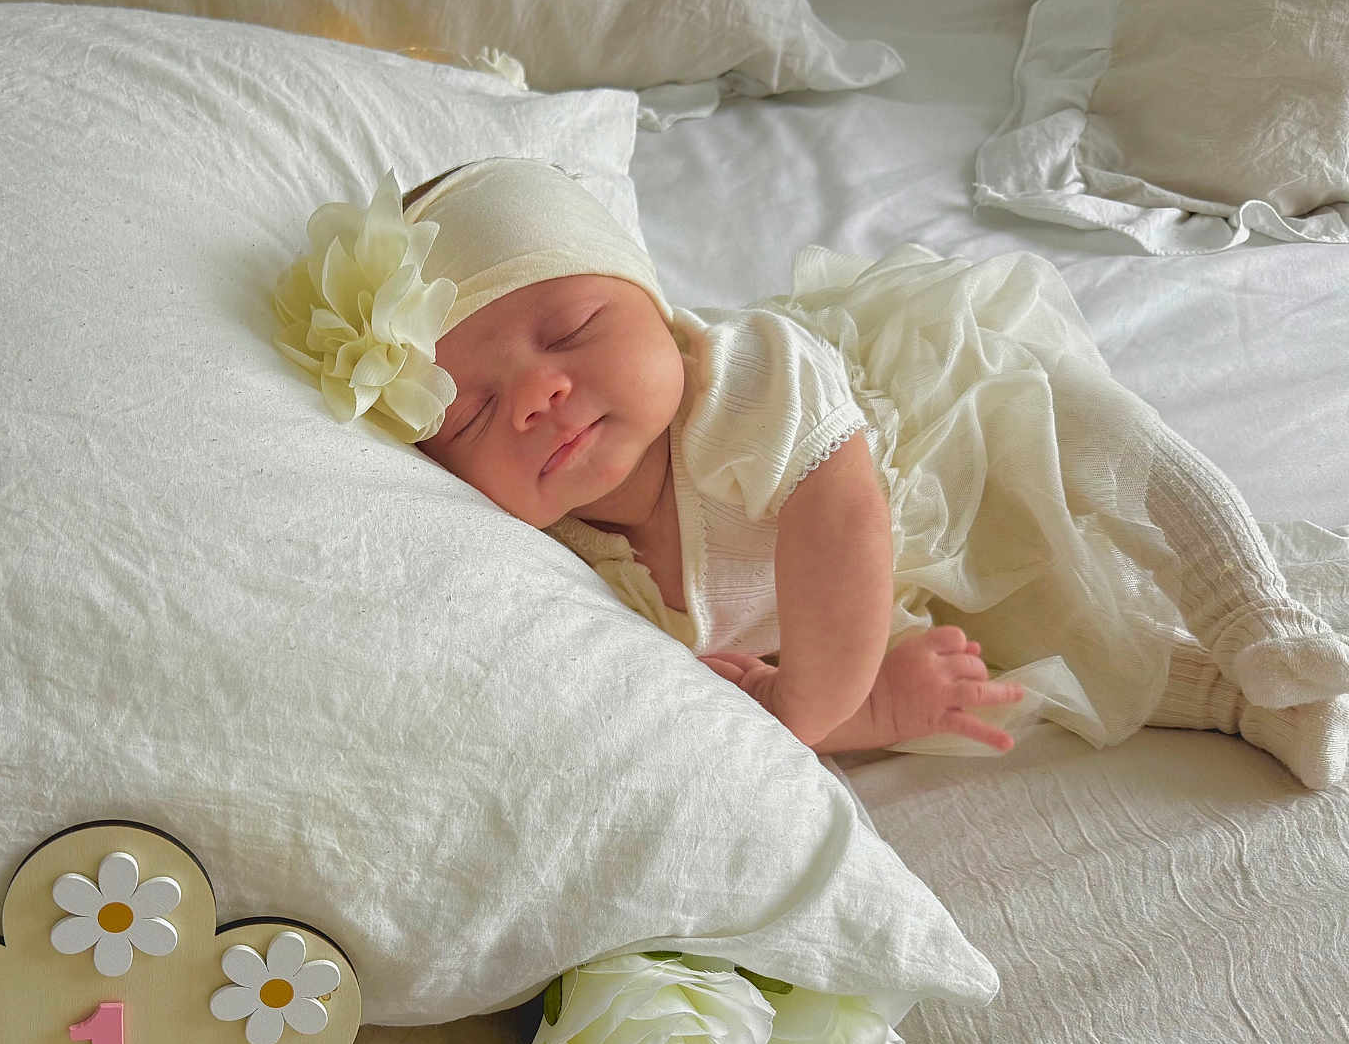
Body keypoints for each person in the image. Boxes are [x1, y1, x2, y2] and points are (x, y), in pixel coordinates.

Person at [272, 158, 1349, 787]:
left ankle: (1251, 608)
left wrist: (807, 707)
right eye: (469, 416)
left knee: (1119, 453)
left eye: (570, 326)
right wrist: (866, 705)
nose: (537, 397)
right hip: (885, 606)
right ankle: (1240, 702)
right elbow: (727, 704)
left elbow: (842, 518)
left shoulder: (736, 378)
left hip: (947, 420)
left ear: (653, 303)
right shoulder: (564, 570)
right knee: (1033, 657)